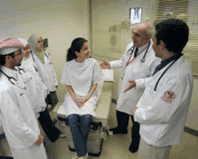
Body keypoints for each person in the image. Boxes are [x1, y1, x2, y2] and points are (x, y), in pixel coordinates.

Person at [125, 19, 193, 159]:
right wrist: (138, 82)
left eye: (153, 39)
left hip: (156, 136)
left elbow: (161, 112)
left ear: (161, 44)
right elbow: (157, 82)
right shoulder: (170, 63)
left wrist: (137, 113)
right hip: (150, 130)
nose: (151, 44)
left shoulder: (178, 76)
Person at [100, 22, 160, 153]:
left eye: (137, 35)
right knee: (121, 109)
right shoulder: (131, 46)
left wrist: (138, 82)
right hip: (125, 85)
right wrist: (109, 64)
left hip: (138, 91)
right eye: (133, 34)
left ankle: (135, 141)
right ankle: (121, 128)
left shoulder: (154, 54)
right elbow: (123, 62)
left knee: (136, 119)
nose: (133, 37)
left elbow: (154, 79)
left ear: (148, 37)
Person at [0, 38, 47, 159]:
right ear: (8, 58)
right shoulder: (4, 88)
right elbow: (14, 123)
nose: (22, 55)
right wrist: (34, 137)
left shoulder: (15, 74)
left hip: (30, 129)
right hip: (24, 140)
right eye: (18, 53)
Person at [61, 37, 104, 159]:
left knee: (85, 120)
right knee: (73, 120)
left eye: (88, 48)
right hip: (73, 97)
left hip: (89, 96)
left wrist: (86, 98)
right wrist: (75, 99)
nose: (88, 51)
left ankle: (80, 153)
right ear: (76, 52)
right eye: (85, 49)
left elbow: (95, 83)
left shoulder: (93, 63)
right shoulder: (68, 66)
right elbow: (68, 86)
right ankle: (83, 153)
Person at [28, 34, 61, 142]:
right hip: (41, 91)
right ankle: (51, 128)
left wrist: (55, 81)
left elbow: (51, 69)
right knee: (45, 111)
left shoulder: (46, 54)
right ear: (33, 44)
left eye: (42, 41)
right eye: (38, 42)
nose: (41, 44)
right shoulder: (31, 59)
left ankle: (59, 125)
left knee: (56, 106)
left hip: (51, 86)